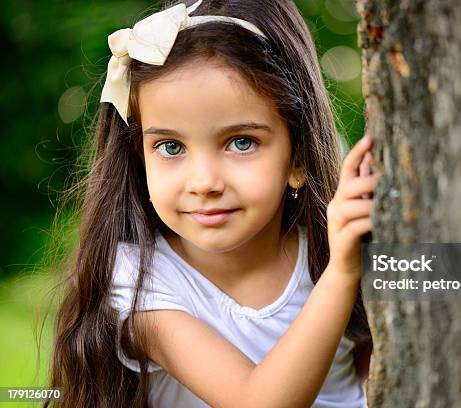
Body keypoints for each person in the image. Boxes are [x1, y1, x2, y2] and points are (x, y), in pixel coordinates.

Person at [44, 0, 380, 407]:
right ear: (139, 157)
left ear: (298, 157)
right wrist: (343, 275)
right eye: (170, 146)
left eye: (241, 142)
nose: (204, 183)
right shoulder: (141, 280)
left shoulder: (331, 248)